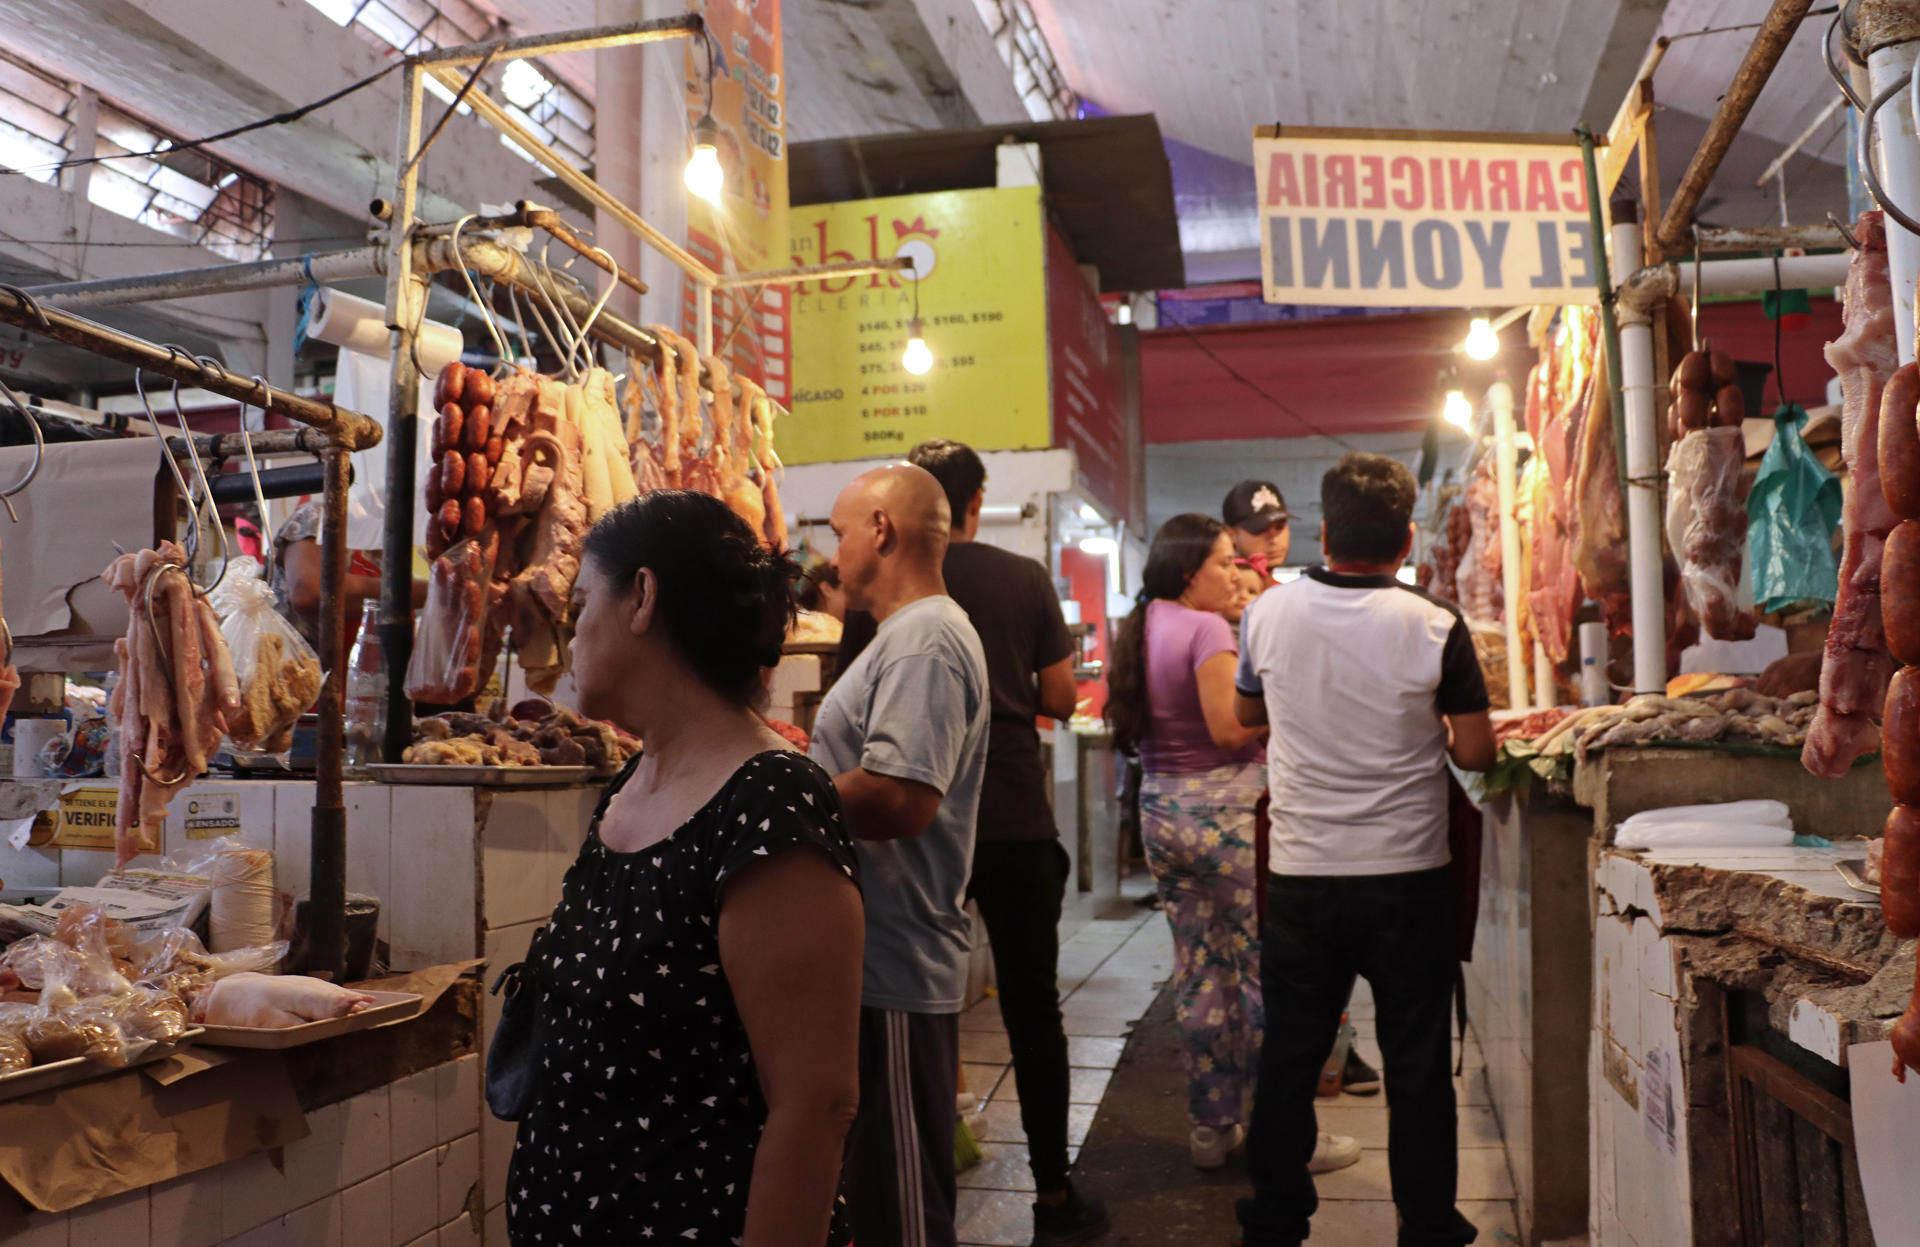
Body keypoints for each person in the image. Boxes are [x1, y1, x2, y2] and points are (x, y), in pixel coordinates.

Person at [506, 491, 864, 1247]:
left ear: (642, 598)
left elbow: (818, 1103)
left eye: (580, 604)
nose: (570, 633)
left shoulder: (772, 801)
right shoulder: (632, 782)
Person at [1233, 452, 1497, 1247]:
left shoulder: (1266, 616)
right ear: (1407, 536)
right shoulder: (1435, 623)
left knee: (1289, 1057)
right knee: (1415, 1062)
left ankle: (1276, 1222)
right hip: (1410, 875)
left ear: (1323, 531)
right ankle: (1426, 1225)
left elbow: (1250, 714)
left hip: (1305, 876)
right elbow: (1478, 751)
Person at [894, 439, 1109, 1243]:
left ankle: (921, 1186)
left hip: (919, 811)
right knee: (1032, 1009)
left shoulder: (890, 583)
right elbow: (1059, 694)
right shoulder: (1022, 578)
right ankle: (1053, 1196)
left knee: (919, 1003)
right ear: (974, 503)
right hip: (1013, 812)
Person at [1106, 513, 1359, 1175]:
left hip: (1161, 809)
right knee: (1263, 971)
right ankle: (1283, 1137)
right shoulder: (1205, 627)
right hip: (1225, 813)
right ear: (1191, 571)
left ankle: (1210, 1128)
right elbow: (1226, 729)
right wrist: (1294, 705)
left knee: (1198, 974)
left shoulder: (1143, 623)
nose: (1234, 572)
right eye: (1222, 562)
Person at [809, 464, 991, 1247]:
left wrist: (775, 793)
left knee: (906, 1219)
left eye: (839, 531)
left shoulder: (924, 639)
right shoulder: (909, 636)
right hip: (876, 964)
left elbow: (901, 796)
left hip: (897, 965)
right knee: (876, 1203)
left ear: (881, 530)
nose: (833, 554)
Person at [271, 498, 424, 650]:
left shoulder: (386, 551)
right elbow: (308, 593)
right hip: (300, 669)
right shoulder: (321, 516)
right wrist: (424, 592)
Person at [1222, 479, 1292, 580]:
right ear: (1231, 535)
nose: (1274, 540)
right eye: (1260, 529)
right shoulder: (1220, 594)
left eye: (1279, 527)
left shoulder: (1290, 594)